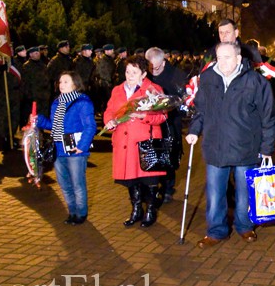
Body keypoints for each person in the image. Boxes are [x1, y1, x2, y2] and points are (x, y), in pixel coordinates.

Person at [187, 42, 275, 248]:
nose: (223, 61)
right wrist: (194, 130)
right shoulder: (208, 79)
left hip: (246, 146)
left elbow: (269, 116)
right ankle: (216, 231)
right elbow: (201, 109)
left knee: (244, 192)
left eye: (227, 57)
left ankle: (244, 226)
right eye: (219, 57)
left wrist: (266, 147)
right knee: (215, 193)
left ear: (238, 59)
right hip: (215, 146)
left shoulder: (255, 81)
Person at [103, 55, 168, 228]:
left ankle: (151, 209)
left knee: (149, 179)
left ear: (143, 73)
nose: (129, 75)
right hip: (124, 141)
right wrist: (109, 121)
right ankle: (136, 208)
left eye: (134, 72)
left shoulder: (153, 89)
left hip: (146, 141)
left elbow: (162, 115)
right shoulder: (117, 90)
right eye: (127, 71)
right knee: (130, 179)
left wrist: (143, 116)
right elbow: (109, 110)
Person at [32, 71, 96, 225]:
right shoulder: (57, 102)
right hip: (59, 149)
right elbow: (54, 127)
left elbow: (90, 126)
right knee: (64, 184)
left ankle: (81, 213)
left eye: (66, 82)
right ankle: (72, 212)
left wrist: (82, 146)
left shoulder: (83, 102)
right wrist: (39, 120)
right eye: (60, 82)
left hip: (75, 150)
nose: (61, 85)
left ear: (75, 83)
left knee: (77, 183)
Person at [145, 47, 188, 202]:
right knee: (154, 155)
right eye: (151, 67)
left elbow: (183, 98)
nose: (154, 71)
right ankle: (154, 186)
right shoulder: (146, 75)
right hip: (152, 122)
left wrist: (169, 102)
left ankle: (168, 187)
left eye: (157, 67)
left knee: (169, 155)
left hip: (171, 122)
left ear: (163, 61)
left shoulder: (176, 75)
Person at [22, 46, 51, 117]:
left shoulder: (43, 65)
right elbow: (25, 83)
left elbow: (47, 79)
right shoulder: (27, 66)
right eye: (36, 53)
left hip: (44, 97)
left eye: (38, 52)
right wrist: (29, 96)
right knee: (34, 117)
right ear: (30, 55)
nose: (38, 54)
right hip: (33, 97)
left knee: (43, 117)